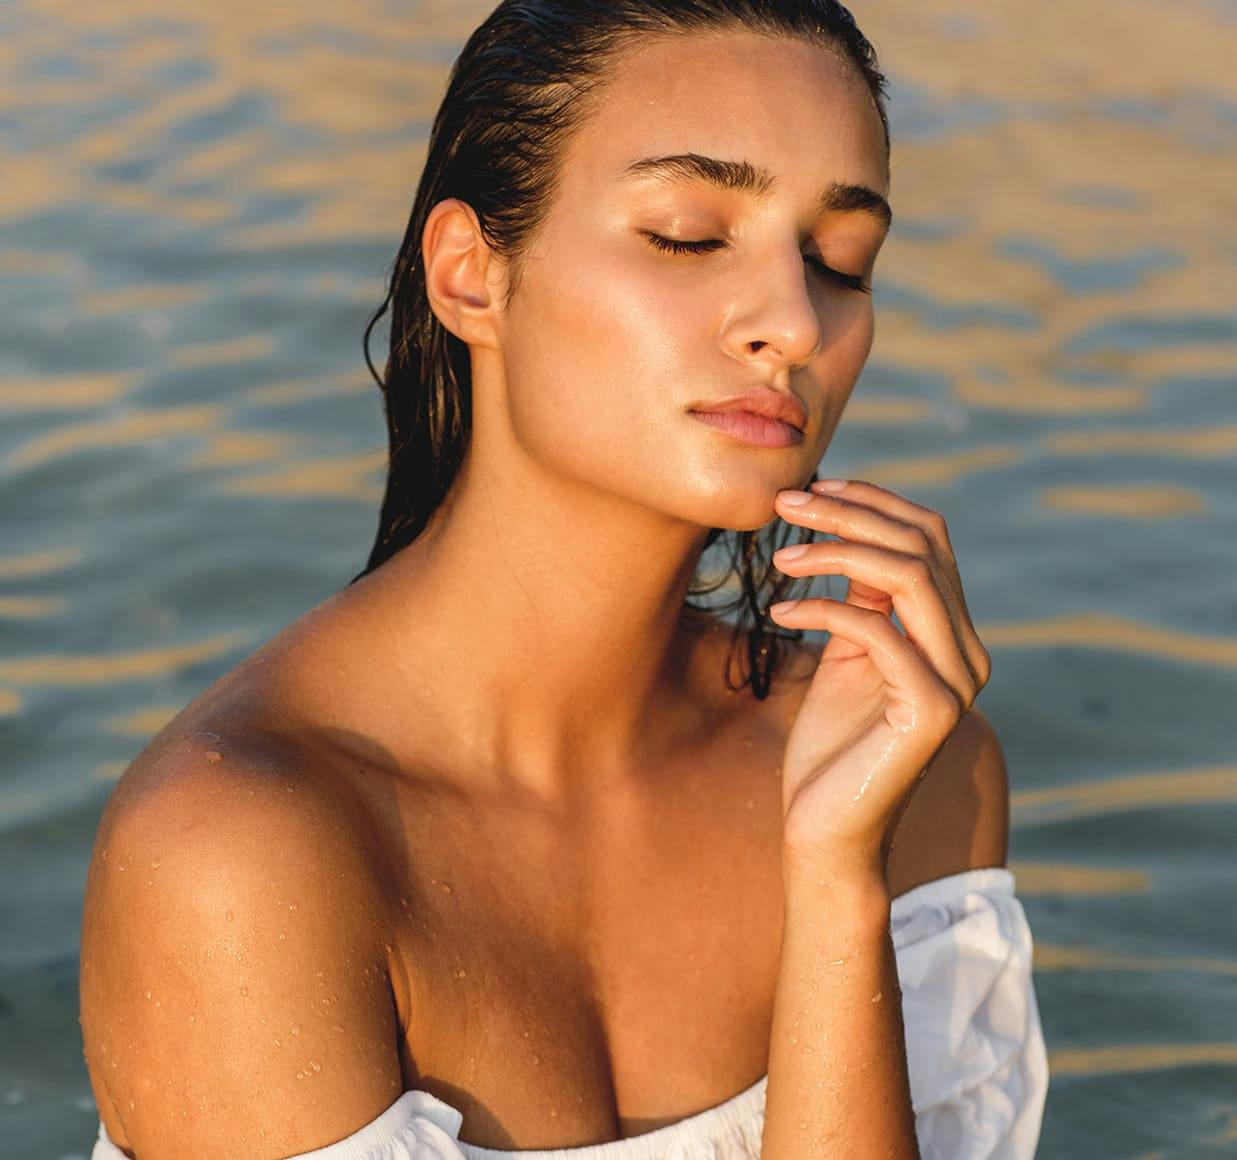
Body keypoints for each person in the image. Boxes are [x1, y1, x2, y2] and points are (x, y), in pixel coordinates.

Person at [80, 1, 1048, 1157]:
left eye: (838, 259)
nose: (794, 323)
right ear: (470, 276)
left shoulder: (908, 771)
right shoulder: (240, 850)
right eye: (689, 235)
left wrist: (837, 878)